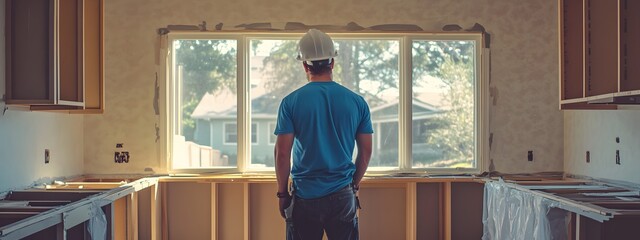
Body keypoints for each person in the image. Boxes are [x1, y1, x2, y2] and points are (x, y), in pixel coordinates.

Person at [273, 29, 374, 240]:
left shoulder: (290, 103)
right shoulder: (357, 102)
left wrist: (282, 194)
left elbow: (282, 154)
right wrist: (352, 185)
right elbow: (365, 153)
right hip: (342, 195)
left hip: (305, 197)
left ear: (304, 65)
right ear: (332, 63)